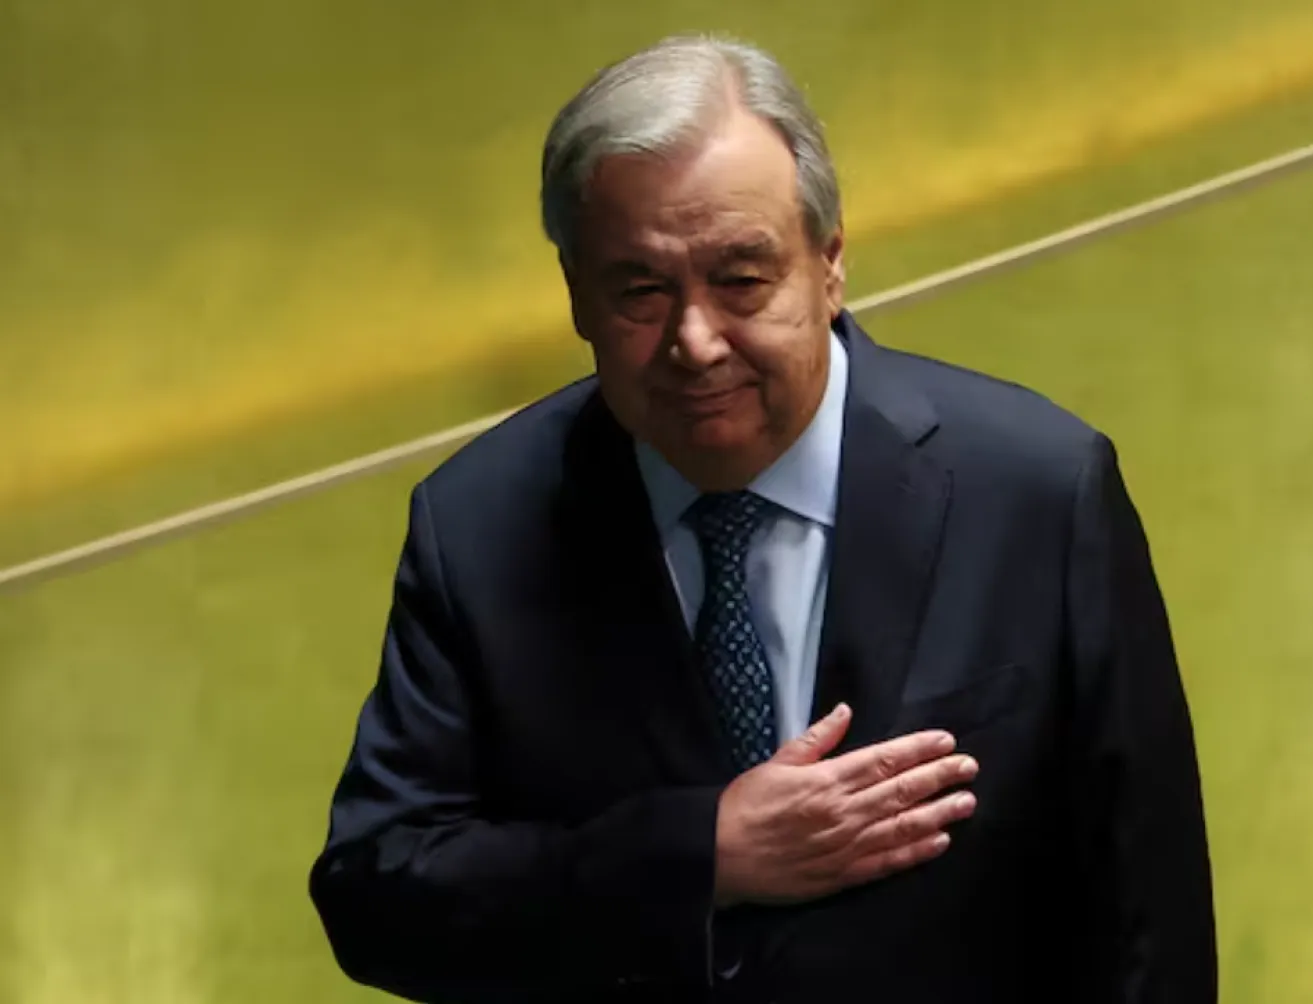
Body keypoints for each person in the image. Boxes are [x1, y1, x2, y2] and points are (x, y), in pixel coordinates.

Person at [309, 33, 1216, 1003]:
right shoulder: (478, 524)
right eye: (641, 292)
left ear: (829, 266)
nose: (694, 342)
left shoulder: (1040, 491)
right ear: (576, 294)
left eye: (740, 280)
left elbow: (1147, 926)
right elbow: (376, 890)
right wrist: (699, 852)